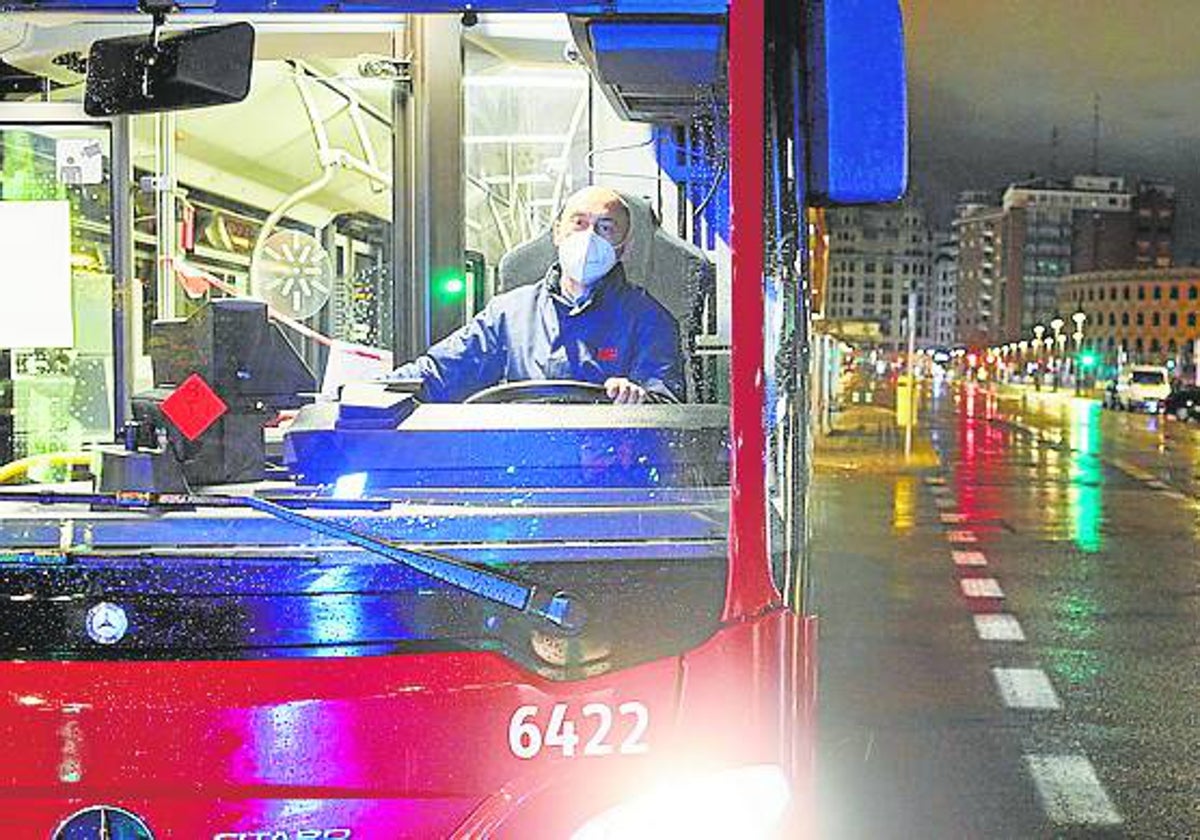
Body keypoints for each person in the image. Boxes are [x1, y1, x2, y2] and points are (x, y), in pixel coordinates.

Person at [390, 186, 684, 404]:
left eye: (605, 227)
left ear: (626, 247)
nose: (589, 237)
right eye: (579, 223)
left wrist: (638, 400)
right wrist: (373, 392)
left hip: (608, 474)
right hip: (523, 467)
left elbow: (668, 407)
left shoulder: (650, 320)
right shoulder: (508, 314)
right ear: (558, 233)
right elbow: (440, 373)